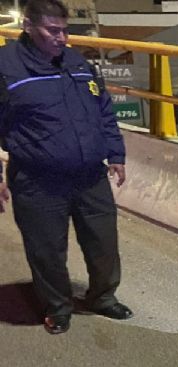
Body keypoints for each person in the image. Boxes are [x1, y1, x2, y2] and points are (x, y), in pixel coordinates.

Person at [0, 0, 132, 334]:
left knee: (104, 243)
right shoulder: (6, 68)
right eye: (53, 31)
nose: (63, 39)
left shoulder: (77, 63)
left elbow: (103, 110)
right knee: (47, 250)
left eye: (65, 30)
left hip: (89, 175)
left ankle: (102, 297)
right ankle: (57, 307)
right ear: (28, 27)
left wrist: (115, 154)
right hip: (37, 180)